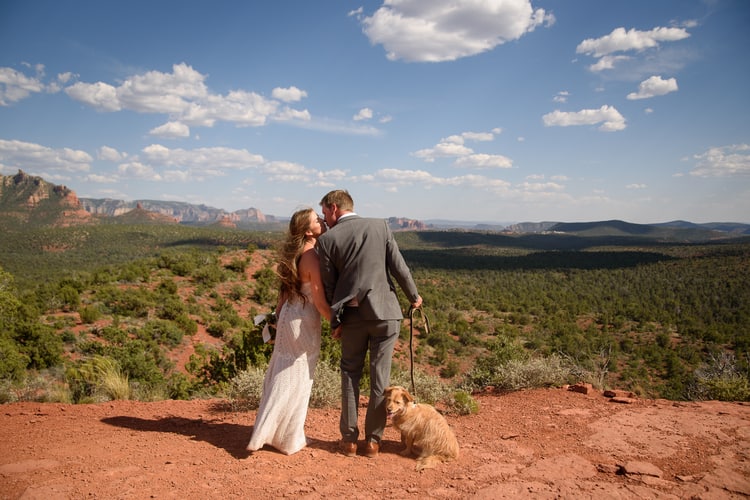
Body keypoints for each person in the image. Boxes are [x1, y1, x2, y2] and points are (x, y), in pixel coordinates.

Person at [316, 189, 422, 458]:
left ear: (334, 208)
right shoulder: (380, 226)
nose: (323, 218)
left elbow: (329, 286)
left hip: (352, 318)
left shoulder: (327, 240)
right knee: (380, 380)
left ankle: (349, 441)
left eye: (325, 212)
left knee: (350, 375)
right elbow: (399, 266)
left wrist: (335, 321)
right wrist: (414, 296)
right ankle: (373, 442)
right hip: (385, 314)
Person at [247, 208, 331, 455]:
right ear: (307, 231)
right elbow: (320, 300)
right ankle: (286, 438)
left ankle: (274, 432)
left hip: (289, 316)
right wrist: (337, 323)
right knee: (299, 376)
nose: (322, 220)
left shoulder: (295, 254)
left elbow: (283, 294)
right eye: (317, 219)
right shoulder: (312, 257)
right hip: (304, 320)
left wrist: (276, 317)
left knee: (283, 372)